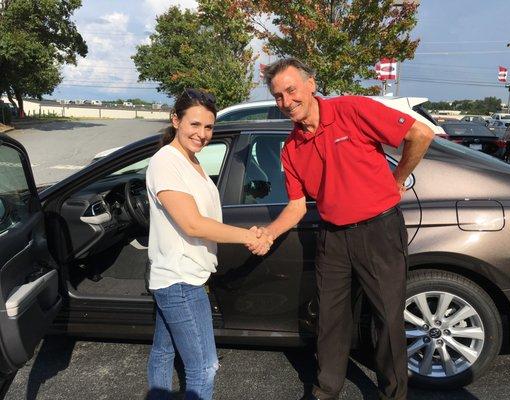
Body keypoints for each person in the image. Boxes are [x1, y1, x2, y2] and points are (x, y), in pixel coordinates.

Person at [252, 58, 434, 400]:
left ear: (310, 84)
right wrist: (270, 233)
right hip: (332, 236)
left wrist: (397, 180)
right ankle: (326, 390)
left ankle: (393, 394)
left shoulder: (350, 109)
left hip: (378, 231)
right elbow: (295, 206)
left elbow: (420, 134)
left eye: (291, 90)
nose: (286, 102)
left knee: (387, 319)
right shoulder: (291, 149)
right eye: (278, 96)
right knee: (330, 319)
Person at [145, 88, 273, 400]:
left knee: (164, 352)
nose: (203, 134)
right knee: (204, 368)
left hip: (182, 275)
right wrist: (248, 237)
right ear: (176, 120)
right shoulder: (166, 162)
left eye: (208, 126)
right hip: (180, 280)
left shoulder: (190, 160)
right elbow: (192, 224)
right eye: (195, 125)